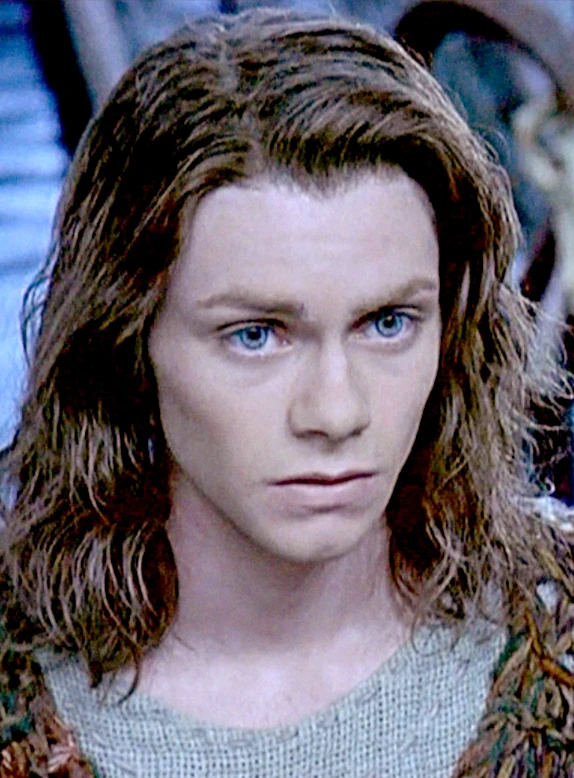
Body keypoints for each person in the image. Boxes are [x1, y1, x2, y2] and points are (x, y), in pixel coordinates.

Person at [0, 8, 573, 778]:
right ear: (127, 344)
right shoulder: (17, 679)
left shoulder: (557, 624)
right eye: (256, 336)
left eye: (388, 324)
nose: (336, 412)